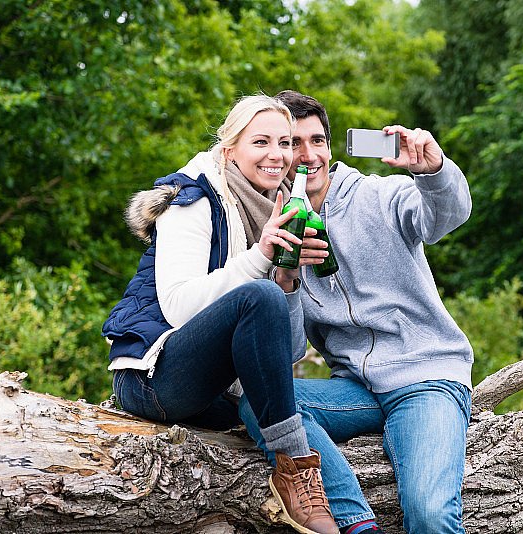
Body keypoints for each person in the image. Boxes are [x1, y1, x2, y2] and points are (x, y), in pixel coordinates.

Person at [101, 94, 340, 534]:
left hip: (217, 397)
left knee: (268, 302)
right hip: (152, 379)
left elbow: (286, 353)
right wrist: (260, 257)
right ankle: (296, 473)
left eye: (285, 143)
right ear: (230, 149)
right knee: (258, 297)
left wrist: (287, 279)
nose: (278, 155)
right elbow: (178, 307)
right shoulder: (190, 198)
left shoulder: (283, 206)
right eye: (261, 141)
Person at [239, 90, 474, 534]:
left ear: (330, 145)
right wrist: (286, 283)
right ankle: (356, 523)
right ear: (277, 153)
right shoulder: (275, 225)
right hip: (355, 391)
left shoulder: (379, 196)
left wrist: (435, 173)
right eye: (293, 143)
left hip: (425, 378)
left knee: (429, 511)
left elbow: (446, 216)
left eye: (318, 141)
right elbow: (289, 354)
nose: (307, 156)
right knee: (262, 401)